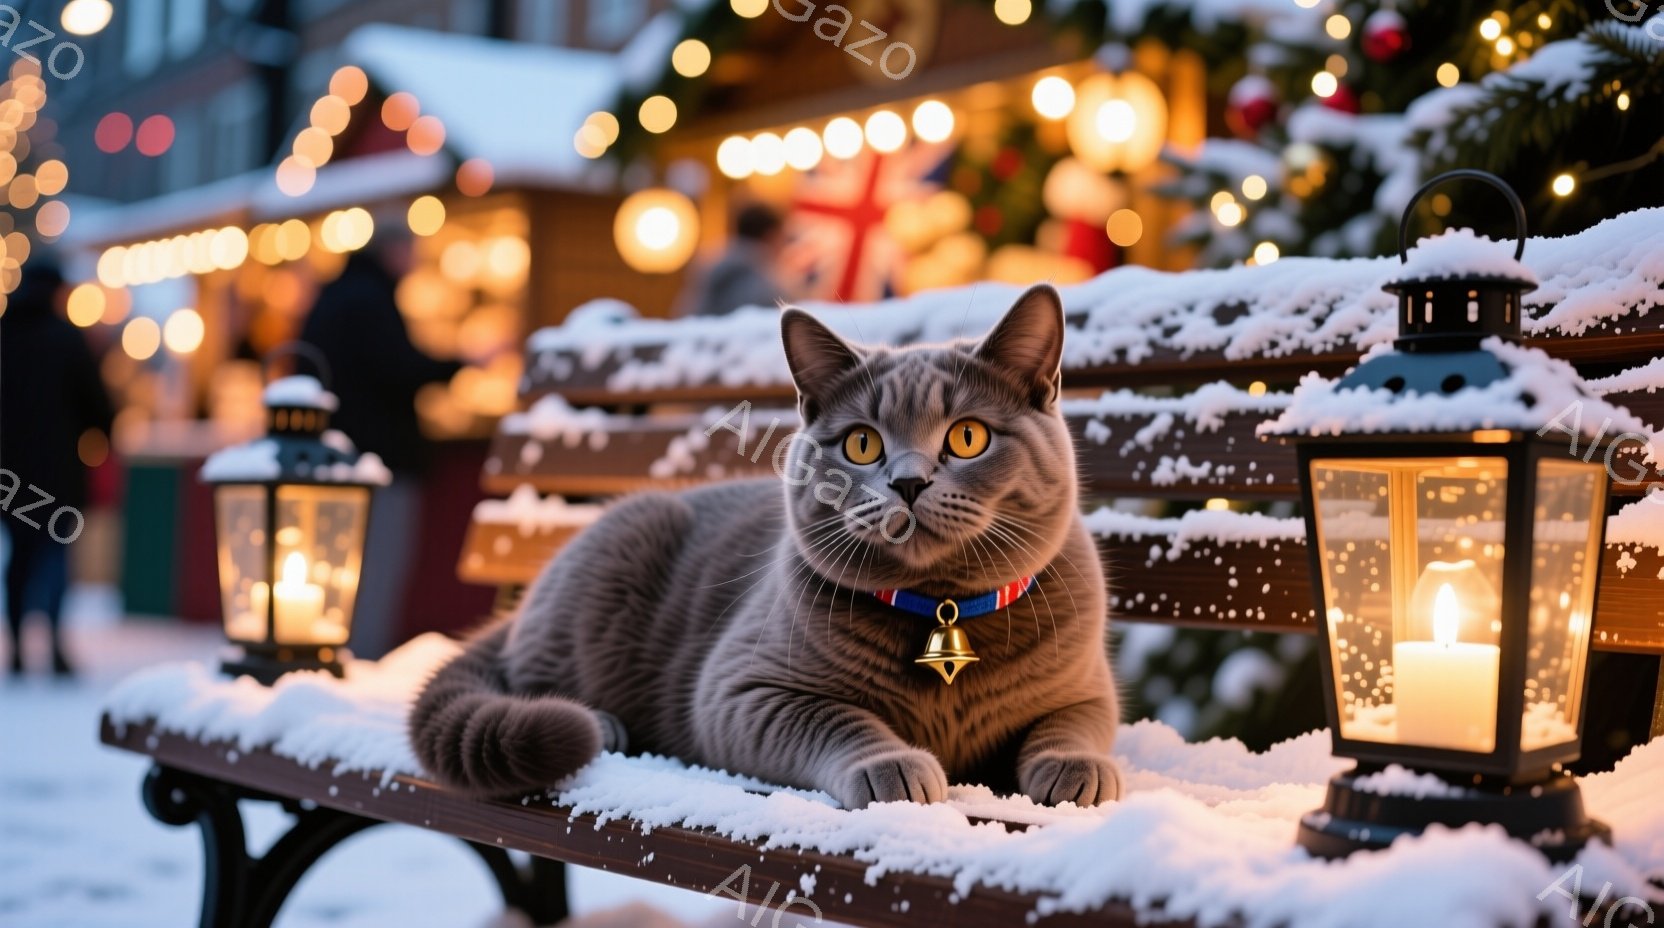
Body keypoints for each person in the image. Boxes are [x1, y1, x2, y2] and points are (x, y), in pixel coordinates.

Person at [299, 232, 463, 659]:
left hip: (330, 457)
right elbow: (398, 367)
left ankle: (331, 650)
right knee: (374, 569)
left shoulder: (332, 295)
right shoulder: (372, 300)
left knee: (335, 565)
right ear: (393, 249)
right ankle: (360, 659)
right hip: (380, 459)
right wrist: (460, 362)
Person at [1, 259, 115, 676]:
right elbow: (98, 409)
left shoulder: (4, 337)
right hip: (57, 473)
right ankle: (54, 645)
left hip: (8, 479)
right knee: (53, 556)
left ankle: (15, 646)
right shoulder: (65, 339)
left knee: (19, 558)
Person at [681, 203, 788, 317]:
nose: (783, 245)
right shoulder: (757, 280)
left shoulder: (713, 263)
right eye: (781, 237)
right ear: (770, 235)